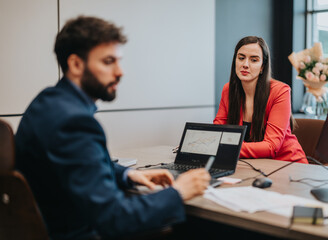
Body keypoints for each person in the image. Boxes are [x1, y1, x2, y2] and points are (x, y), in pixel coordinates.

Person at [15, 16, 210, 240]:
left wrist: (128, 175)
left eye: (119, 61)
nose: (120, 72)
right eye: (108, 61)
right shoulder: (74, 123)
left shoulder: (47, 102)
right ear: (76, 64)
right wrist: (178, 192)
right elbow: (113, 218)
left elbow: (80, 168)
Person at [214, 36, 307, 164]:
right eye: (241, 58)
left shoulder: (280, 91)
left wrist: (225, 148)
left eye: (254, 60)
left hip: (287, 165)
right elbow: (217, 132)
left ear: (262, 66)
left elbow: (271, 147)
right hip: (252, 165)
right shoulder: (228, 90)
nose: (245, 65)